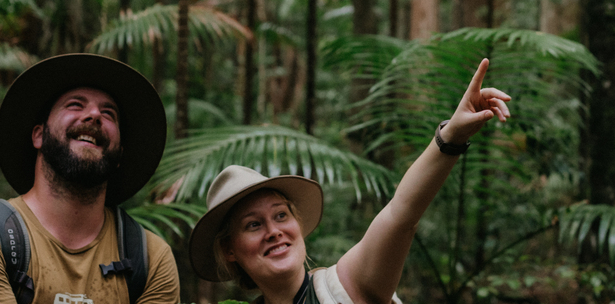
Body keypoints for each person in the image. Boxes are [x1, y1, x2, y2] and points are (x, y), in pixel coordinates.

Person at [188, 59, 510, 304]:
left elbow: (401, 216)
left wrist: (450, 137)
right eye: (253, 225)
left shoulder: (343, 288)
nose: (274, 231)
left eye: (281, 215)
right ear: (230, 249)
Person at [0, 54, 179, 304]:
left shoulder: (150, 259)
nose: (94, 115)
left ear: (119, 156)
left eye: (109, 113)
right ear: (39, 136)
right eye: (75, 104)